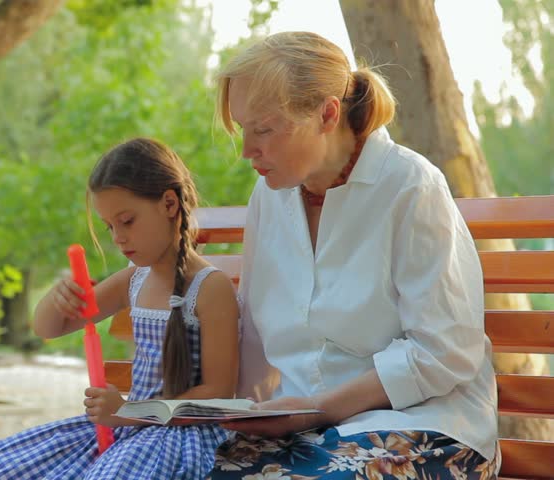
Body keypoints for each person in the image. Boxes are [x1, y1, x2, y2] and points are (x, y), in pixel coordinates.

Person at [206, 31, 499, 479]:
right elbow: (256, 342)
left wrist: (315, 409)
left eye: (263, 129)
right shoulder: (269, 198)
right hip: (306, 433)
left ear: (327, 113)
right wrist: (225, 415)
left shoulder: (410, 186)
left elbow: (445, 352)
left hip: (425, 427)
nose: (248, 151)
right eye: (244, 130)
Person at [0, 137, 241, 480]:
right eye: (110, 226)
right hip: (127, 428)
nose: (118, 237)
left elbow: (218, 396)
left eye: (127, 221)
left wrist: (131, 412)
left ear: (170, 204)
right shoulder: (134, 280)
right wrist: (57, 300)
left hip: (177, 434)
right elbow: (48, 329)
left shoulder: (209, 287)